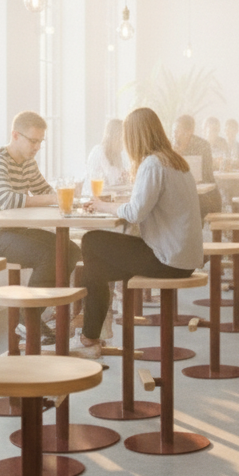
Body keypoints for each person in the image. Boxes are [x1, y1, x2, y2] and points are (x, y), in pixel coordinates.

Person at [75, 107, 204, 358]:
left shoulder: (152, 163)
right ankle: (92, 334)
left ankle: (91, 333)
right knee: (96, 268)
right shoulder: (175, 161)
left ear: (134, 136)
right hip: (185, 258)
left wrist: (102, 205)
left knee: (91, 242)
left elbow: (134, 213)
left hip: (168, 259)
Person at [0, 111, 81, 338]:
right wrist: (56, 198)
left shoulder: (28, 162)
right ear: (15, 135)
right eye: (33, 140)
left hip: (13, 231)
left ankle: (33, 315)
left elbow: (44, 190)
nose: (37, 147)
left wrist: (66, 199)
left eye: (40, 141)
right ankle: (27, 319)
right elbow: (7, 200)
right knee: (48, 255)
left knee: (71, 250)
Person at [172, 114, 222, 217]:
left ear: (188, 132)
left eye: (177, 130)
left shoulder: (202, 146)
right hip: (180, 193)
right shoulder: (170, 147)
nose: (174, 134)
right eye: (173, 131)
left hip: (204, 194)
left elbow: (207, 175)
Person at [83, 118, 129, 193]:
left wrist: (126, 177)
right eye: (121, 139)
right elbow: (95, 186)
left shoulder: (120, 155)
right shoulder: (98, 152)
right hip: (96, 199)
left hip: (111, 202)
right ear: (113, 137)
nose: (124, 143)